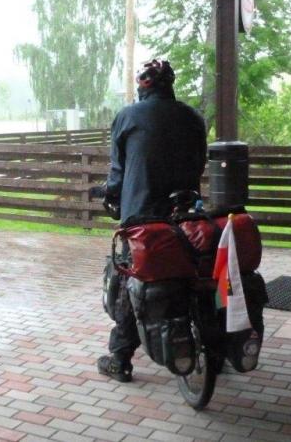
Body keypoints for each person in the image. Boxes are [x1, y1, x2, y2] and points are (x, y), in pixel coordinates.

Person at [97, 59, 207, 382]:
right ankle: (209, 345)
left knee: (132, 279)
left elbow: (118, 171)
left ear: (143, 85)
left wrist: (109, 192)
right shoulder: (193, 117)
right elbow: (199, 162)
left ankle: (120, 359)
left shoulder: (128, 116)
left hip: (142, 215)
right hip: (186, 213)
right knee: (194, 271)